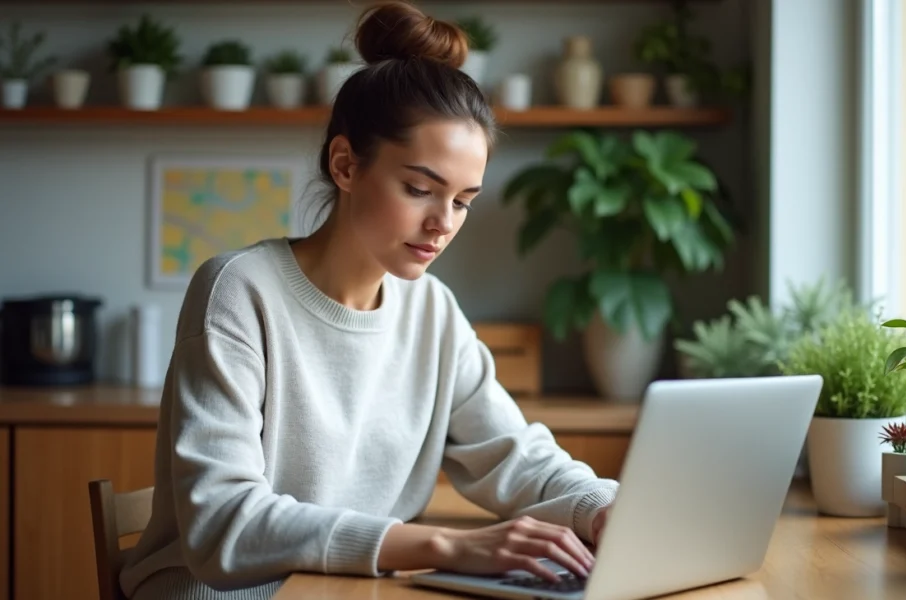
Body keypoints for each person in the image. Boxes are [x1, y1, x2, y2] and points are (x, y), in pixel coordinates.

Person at [119, 2, 618, 598]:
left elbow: (514, 456)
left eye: (463, 201)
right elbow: (222, 523)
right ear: (345, 165)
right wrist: (448, 545)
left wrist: (604, 509)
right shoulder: (239, 290)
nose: (443, 223)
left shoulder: (432, 310)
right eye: (419, 188)